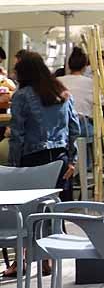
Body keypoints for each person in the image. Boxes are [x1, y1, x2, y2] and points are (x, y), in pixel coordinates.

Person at [8, 52, 80, 202]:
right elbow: (74, 128)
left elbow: (17, 135)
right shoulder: (63, 93)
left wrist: (13, 166)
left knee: (34, 212)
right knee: (58, 210)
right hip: (61, 158)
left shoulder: (21, 96)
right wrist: (72, 160)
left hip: (33, 160)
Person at [59, 47, 94, 141]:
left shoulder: (58, 81)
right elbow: (101, 102)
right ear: (85, 66)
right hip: (84, 126)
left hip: (63, 126)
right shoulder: (91, 83)